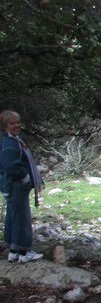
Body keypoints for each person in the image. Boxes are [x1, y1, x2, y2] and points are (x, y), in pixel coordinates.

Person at [0, 110, 43, 262]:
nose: (16, 125)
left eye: (18, 122)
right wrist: (25, 178)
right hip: (16, 185)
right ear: (6, 126)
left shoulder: (15, 140)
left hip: (13, 186)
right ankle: (24, 252)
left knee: (13, 216)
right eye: (12, 123)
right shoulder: (9, 144)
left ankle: (13, 251)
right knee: (22, 218)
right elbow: (10, 165)